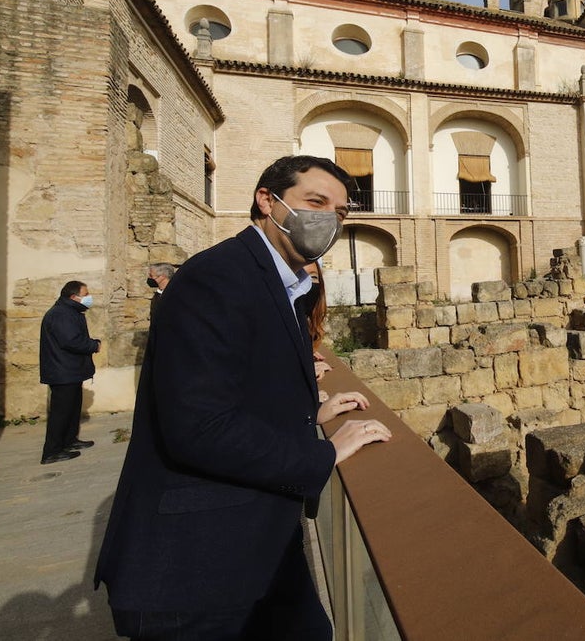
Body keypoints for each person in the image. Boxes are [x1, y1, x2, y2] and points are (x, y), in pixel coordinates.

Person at [94, 155, 392, 640]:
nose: (329, 221)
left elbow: (238, 384)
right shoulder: (218, 278)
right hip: (198, 562)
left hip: (258, 543)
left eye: (339, 212)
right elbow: (198, 428)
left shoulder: (277, 282)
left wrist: (311, 412)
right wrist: (324, 451)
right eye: (315, 202)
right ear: (267, 201)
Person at [39, 280, 101, 465]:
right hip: (62, 371)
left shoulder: (69, 311)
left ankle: (69, 441)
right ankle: (52, 451)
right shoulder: (61, 314)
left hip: (70, 370)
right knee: (61, 412)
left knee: (72, 409)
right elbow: (71, 341)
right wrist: (94, 345)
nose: (89, 297)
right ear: (74, 297)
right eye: (86, 293)